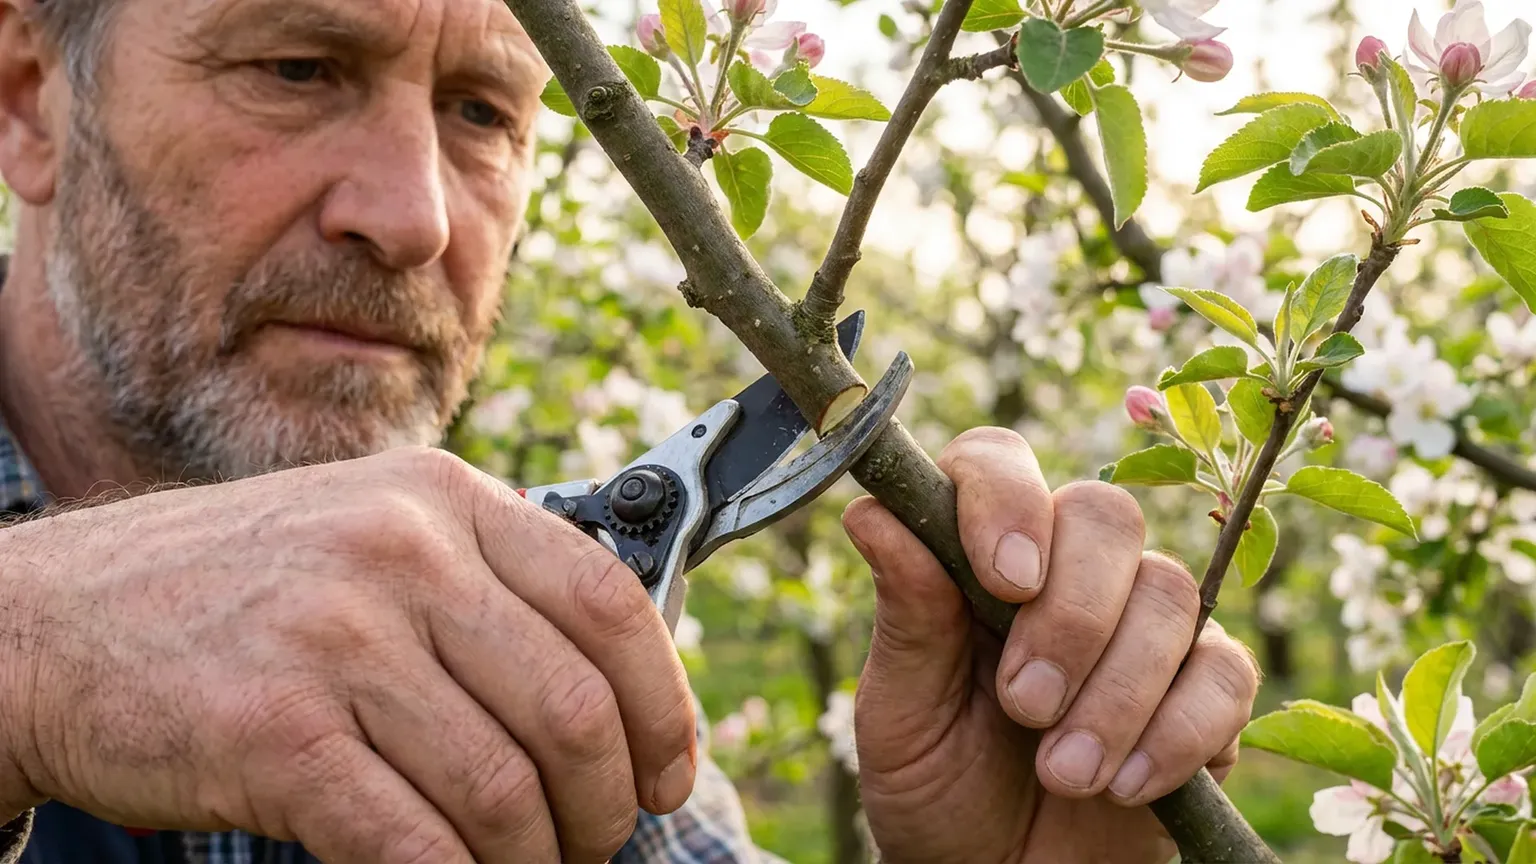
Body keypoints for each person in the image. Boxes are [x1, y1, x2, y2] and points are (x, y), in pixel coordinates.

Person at [0, 0, 1262, 861]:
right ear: (27, 102)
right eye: (297, 69)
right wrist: (30, 656)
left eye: (486, 113)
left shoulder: (518, 649)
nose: (417, 219)